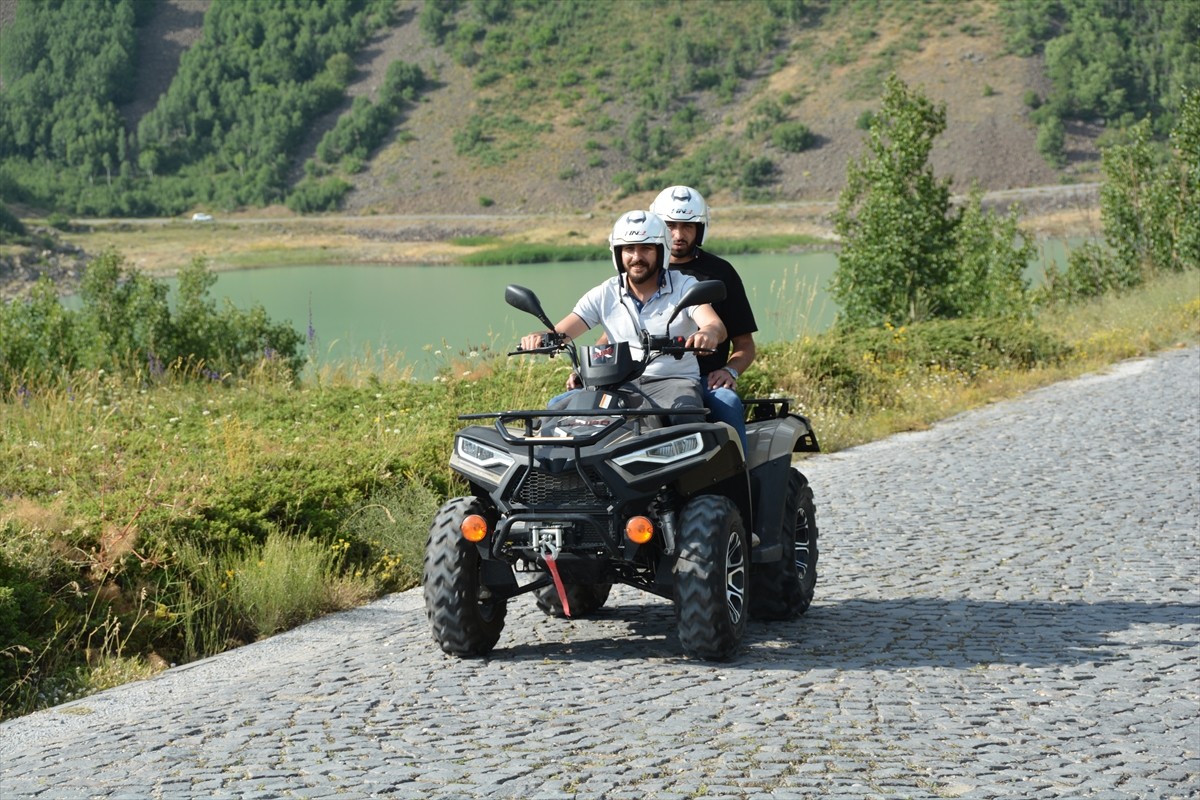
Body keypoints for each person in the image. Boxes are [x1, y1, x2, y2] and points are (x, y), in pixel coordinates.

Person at [521, 210, 725, 421]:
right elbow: (562, 332)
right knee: (556, 419)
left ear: (661, 251)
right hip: (617, 384)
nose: (637, 257)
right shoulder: (605, 293)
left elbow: (714, 324)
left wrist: (708, 333)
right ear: (618, 253)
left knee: (685, 419)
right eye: (629, 249)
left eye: (646, 248)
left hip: (673, 382)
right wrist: (539, 337)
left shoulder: (684, 286)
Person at [648, 186, 758, 450]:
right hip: (646, 376)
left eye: (687, 226)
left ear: (700, 228)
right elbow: (614, 329)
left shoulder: (720, 272)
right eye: (669, 225)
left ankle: (737, 482)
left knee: (728, 402)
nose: (677, 234)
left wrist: (729, 371)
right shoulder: (642, 269)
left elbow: (745, 345)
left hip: (702, 379)